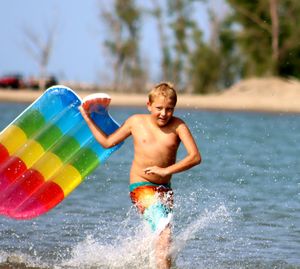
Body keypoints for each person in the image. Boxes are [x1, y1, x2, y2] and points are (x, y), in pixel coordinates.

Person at [79, 82, 201, 269]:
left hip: (165, 190)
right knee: (164, 233)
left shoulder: (178, 125)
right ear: (148, 105)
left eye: (169, 109)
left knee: (164, 238)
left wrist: (165, 171)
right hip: (141, 186)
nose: (163, 113)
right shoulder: (135, 121)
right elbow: (107, 142)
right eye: (159, 108)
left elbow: (195, 157)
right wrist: (87, 118)